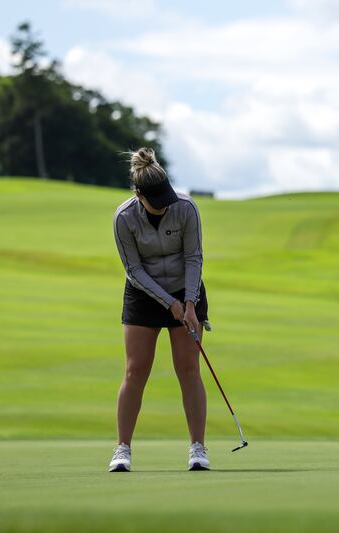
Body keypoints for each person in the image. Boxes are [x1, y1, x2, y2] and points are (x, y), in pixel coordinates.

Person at [108, 147, 211, 472]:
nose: (165, 205)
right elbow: (133, 270)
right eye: (156, 200)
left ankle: (198, 447)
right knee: (135, 370)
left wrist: (190, 302)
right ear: (139, 195)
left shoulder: (185, 209)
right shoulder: (124, 218)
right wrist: (170, 303)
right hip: (143, 293)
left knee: (188, 369)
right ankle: (122, 449)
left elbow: (194, 256)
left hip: (187, 288)